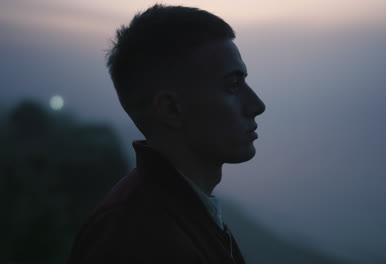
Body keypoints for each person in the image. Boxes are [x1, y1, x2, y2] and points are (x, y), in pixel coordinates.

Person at [67, 4, 266, 264]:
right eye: (232, 85)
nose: (257, 105)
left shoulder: (173, 214)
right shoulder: (139, 240)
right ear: (171, 109)